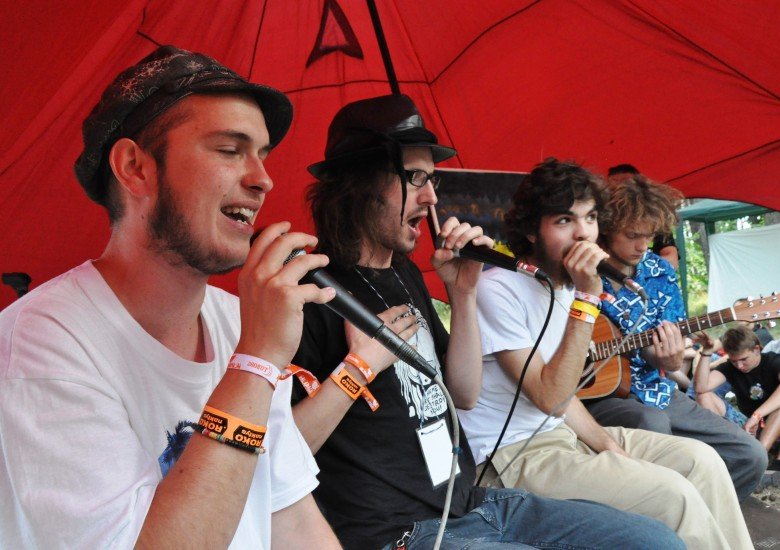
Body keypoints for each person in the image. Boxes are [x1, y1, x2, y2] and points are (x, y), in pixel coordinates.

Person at [290, 95, 683, 550]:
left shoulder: (403, 275)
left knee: (656, 541)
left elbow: (464, 393)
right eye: (414, 177)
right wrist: (357, 369)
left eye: (432, 179)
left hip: (468, 503)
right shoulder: (313, 290)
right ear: (359, 184)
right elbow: (283, 452)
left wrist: (463, 293)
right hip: (398, 532)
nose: (431, 196)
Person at [0, 46, 340, 548]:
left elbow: (290, 517)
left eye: (262, 155)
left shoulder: (237, 323)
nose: (262, 179)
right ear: (135, 168)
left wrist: (257, 355)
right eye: (229, 150)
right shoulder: (40, 343)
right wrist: (256, 362)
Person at [459, 158, 752, 549]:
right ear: (531, 230)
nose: (584, 233)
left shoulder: (564, 288)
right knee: (674, 496)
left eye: (591, 217)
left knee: (703, 462)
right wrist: (587, 298)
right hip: (511, 456)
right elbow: (550, 397)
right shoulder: (499, 289)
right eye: (565, 220)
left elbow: (566, 401)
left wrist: (608, 446)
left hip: (562, 436)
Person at [585, 175, 767, 501]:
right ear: (607, 228)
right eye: (632, 236)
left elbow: (665, 352)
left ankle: (698, 516)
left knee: (750, 455)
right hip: (597, 392)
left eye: (649, 236)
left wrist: (667, 358)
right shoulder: (581, 270)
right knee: (653, 423)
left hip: (655, 389)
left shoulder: (660, 271)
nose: (643, 246)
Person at [606, 163, 678, 268]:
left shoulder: (654, 219)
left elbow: (672, 260)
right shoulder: (598, 218)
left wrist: (643, 271)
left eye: (626, 183)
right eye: (614, 183)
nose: (619, 187)